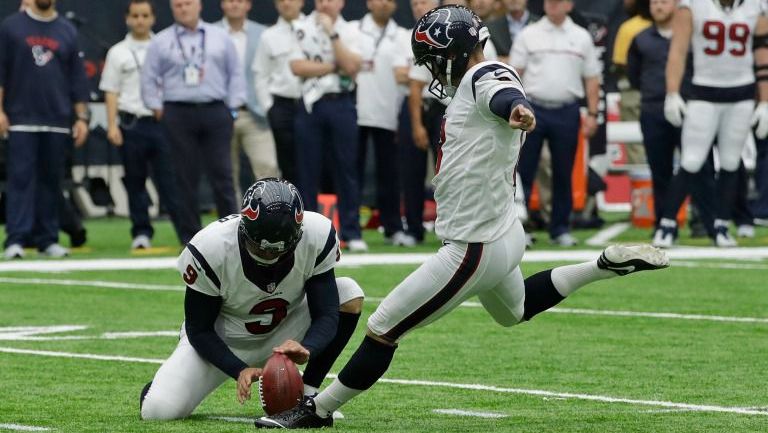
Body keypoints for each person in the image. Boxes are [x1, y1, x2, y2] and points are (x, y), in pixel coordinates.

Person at [254, 6, 669, 429]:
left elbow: (502, 90)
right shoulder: (479, 75)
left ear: (453, 54)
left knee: (383, 327)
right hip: (504, 231)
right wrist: (514, 108)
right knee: (515, 310)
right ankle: (602, 266)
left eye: (434, 59)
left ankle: (316, 410)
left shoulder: (481, 75)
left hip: (474, 247)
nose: (433, 69)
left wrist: (518, 109)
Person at [140, 178, 365, 420]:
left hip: (284, 331)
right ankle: (161, 386)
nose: (270, 255)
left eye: (279, 250)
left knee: (349, 293)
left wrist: (307, 347)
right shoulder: (211, 247)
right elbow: (199, 329)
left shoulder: (316, 234)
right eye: (262, 248)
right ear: (244, 227)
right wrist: (239, 369)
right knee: (157, 411)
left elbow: (327, 312)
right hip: (224, 339)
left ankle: (308, 394)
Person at [654, 0, 768, 247]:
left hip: (741, 94)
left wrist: (765, 100)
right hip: (704, 92)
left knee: (729, 162)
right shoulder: (693, 5)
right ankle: (667, 223)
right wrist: (672, 92)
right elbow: (678, 49)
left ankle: (721, 225)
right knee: (691, 161)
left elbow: (762, 53)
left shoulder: (755, 6)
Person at [141, 0, 245, 244]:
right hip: (177, 112)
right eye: (177, 5)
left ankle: (233, 237)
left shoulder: (220, 37)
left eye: (187, 4)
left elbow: (235, 73)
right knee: (184, 177)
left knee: (223, 175)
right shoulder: (161, 41)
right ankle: (191, 239)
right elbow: (149, 78)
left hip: (215, 109)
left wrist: (233, 107)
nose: (183, 9)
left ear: (199, 6)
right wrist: (156, 107)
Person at [0, 0, 90, 259]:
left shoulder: (67, 30)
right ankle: (15, 239)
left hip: (58, 120)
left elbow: (77, 79)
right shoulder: (10, 27)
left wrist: (81, 117)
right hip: (20, 119)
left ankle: (48, 239)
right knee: (19, 181)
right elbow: (1, 72)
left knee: (51, 183)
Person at [510, 0, 601, 247]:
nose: (552, 4)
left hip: (567, 110)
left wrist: (593, 113)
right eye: (549, 0)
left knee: (564, 172)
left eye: (558, 1)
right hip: (533, 108)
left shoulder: (581, 37)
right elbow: (514, 74)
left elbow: (592, 78)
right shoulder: (528, 34)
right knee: (522, 171)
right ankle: (518, 230)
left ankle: (560, 228)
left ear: (569, 5)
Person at [626, 0, 717, 237]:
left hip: (691, 108)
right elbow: (634, 76)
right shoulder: (640, 39)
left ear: (677, 5)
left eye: (664, 1)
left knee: (701, 168)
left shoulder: (692, 37)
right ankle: (665, 225)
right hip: (654, 110)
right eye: (654, 2)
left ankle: (707, 223)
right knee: (660, 170)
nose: (658, 6)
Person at [100, 0, 184, 250]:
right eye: (135, 15)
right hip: (131, 122)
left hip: (162, 123)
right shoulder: (118, 52)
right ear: (127, 18)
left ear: (153, 18)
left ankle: (186, 233)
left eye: (144, 15)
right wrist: (112, 125)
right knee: (135, 181)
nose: (140, 20)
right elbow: (111, 90)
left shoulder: (167, 46)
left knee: (171, 182)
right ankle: (141, 232)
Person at [289, 0, 367, 252]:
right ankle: (307, 234)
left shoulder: (351, 30)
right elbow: (297, 67)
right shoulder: (300, 26)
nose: (324, 4)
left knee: (347, 169)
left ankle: (352, 231)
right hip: (310, 105)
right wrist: (335, 65)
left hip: (341, 102)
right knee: (307, 171)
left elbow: (354, 66)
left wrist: (332, 34)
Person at [354, 0, 410, 246]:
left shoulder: (401, 35)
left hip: (389, 113)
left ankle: (393, 228)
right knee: (351, 173)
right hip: (355, 111)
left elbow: (405, 75)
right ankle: (349, 228)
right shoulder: (353, 30)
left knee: (390, 175)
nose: (383, 3)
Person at [218, 0, 280, 200]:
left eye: (239, 0)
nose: (234, 4)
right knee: (226, 174)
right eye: (230, 0)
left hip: (256, 114)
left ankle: (272, 220)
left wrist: (267, 106)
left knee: (268, 169)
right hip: (222, 113)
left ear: (248, 5)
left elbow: (273, 71)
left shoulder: (263, 33)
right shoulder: (210, 33)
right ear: (222, 5)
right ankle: (233, 225)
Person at [254, 0, 305, 185]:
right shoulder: (269, 35)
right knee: (287, 164)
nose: (286, 3)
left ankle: (317, 210)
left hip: (311, 103)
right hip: (282, 106)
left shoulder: (313, 29)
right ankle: (293, 211)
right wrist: (269, 108)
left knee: (315, 161)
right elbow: (260, 74)